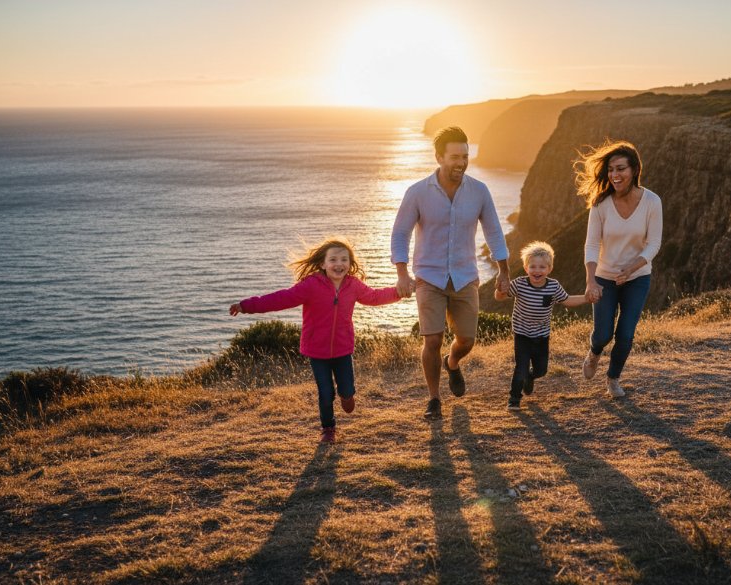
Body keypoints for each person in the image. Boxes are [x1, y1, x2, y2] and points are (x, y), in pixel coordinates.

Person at [229, 237, 401, 443]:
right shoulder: (311, 285)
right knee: (325, 392)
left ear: (350, 264)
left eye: (344, 260)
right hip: (316, 351)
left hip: (343, 349)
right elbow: (281, 298)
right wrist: (246, 305)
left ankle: (347, 396)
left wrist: (399, 292)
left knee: (346, 389)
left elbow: (374, 297)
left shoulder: (353, 286)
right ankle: (328, 428)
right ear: (323, 264)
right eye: (333, 260)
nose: (339, 264)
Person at [391, 126, 511, 419]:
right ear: (439, 157)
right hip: (428, 277)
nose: (461, 162)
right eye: (455, 156)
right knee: (431, 340)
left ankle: (453, 363)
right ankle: (434, 399)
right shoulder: (417, 192)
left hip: (464, 275)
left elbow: (494, 232)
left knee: (467, 340)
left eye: (465, 156)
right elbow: (400, 233)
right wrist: (402, 274)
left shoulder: (479, 191)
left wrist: (503, 272)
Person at [576, 140, 663, 398]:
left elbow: (654, 244)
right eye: (611, 170)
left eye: (621, 169)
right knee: (603, 334)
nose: (615, 175)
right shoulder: (600, 203)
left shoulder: (652, 202)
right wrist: (591, 280)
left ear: (635, 169)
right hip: (604, 276)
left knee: (625, 334)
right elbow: (592, 244)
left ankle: (612, 379)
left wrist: (631, 267)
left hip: (637, 278)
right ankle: (594, 352)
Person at [494, 241, 590, 411]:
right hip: (522, 334)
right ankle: (514, 399)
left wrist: (587, 298)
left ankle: (530, 377)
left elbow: (567, 300)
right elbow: (500, 297)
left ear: (549, 269)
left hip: (541, 336)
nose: (537, 271)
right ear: (526, 268)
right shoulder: (520, 284)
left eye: (542, 267)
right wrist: (500, 288)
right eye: (533, 267)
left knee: (541, 370)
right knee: (520, 367)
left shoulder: (553, 286)